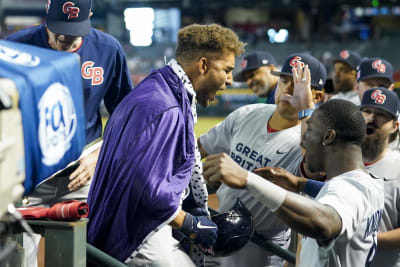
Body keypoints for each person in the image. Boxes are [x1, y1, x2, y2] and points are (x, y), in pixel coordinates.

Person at [87, 24, 245, 266]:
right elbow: (143, 186)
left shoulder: (158, 88)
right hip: (136, 238)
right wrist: (189, 223)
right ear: (203, 65)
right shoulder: (166, 107)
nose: (230, 80)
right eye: (226, 70)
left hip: (122, 226)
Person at [203, 64, 384, 266]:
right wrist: (300, 184)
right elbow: (332, 194)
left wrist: (249, 179)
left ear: (329, 136)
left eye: (310, 131)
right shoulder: (369, 184)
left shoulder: (348, 189)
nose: (303, 140)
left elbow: (323, 223)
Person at [198, 53, 326, 267]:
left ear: (317, 96)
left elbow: (313, 166)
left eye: (299, 85)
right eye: (284, 81)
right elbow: (198, 147)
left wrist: (306, 108)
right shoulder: (248, 113)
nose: (288, 90)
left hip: (262, 247)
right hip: (217, 229)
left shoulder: (311, 143)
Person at [259, 87, 400, 266]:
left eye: (380, 114)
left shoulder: (352, 181)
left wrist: (251, 183)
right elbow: (338, 193)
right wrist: (301, 184)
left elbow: (323, 222)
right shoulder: (361, 178)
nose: (371, 118)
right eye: (367, 111)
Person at [6, 0, 133, 195]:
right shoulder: (15, 46)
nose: (64, 37)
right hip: (27, 174)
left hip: (84, 173)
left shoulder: (108, 50)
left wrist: (99, 155)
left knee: (88, 225)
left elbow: (127, 117)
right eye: (58, 29)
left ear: (89, 16)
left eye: (72, 31)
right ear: (48, 11)